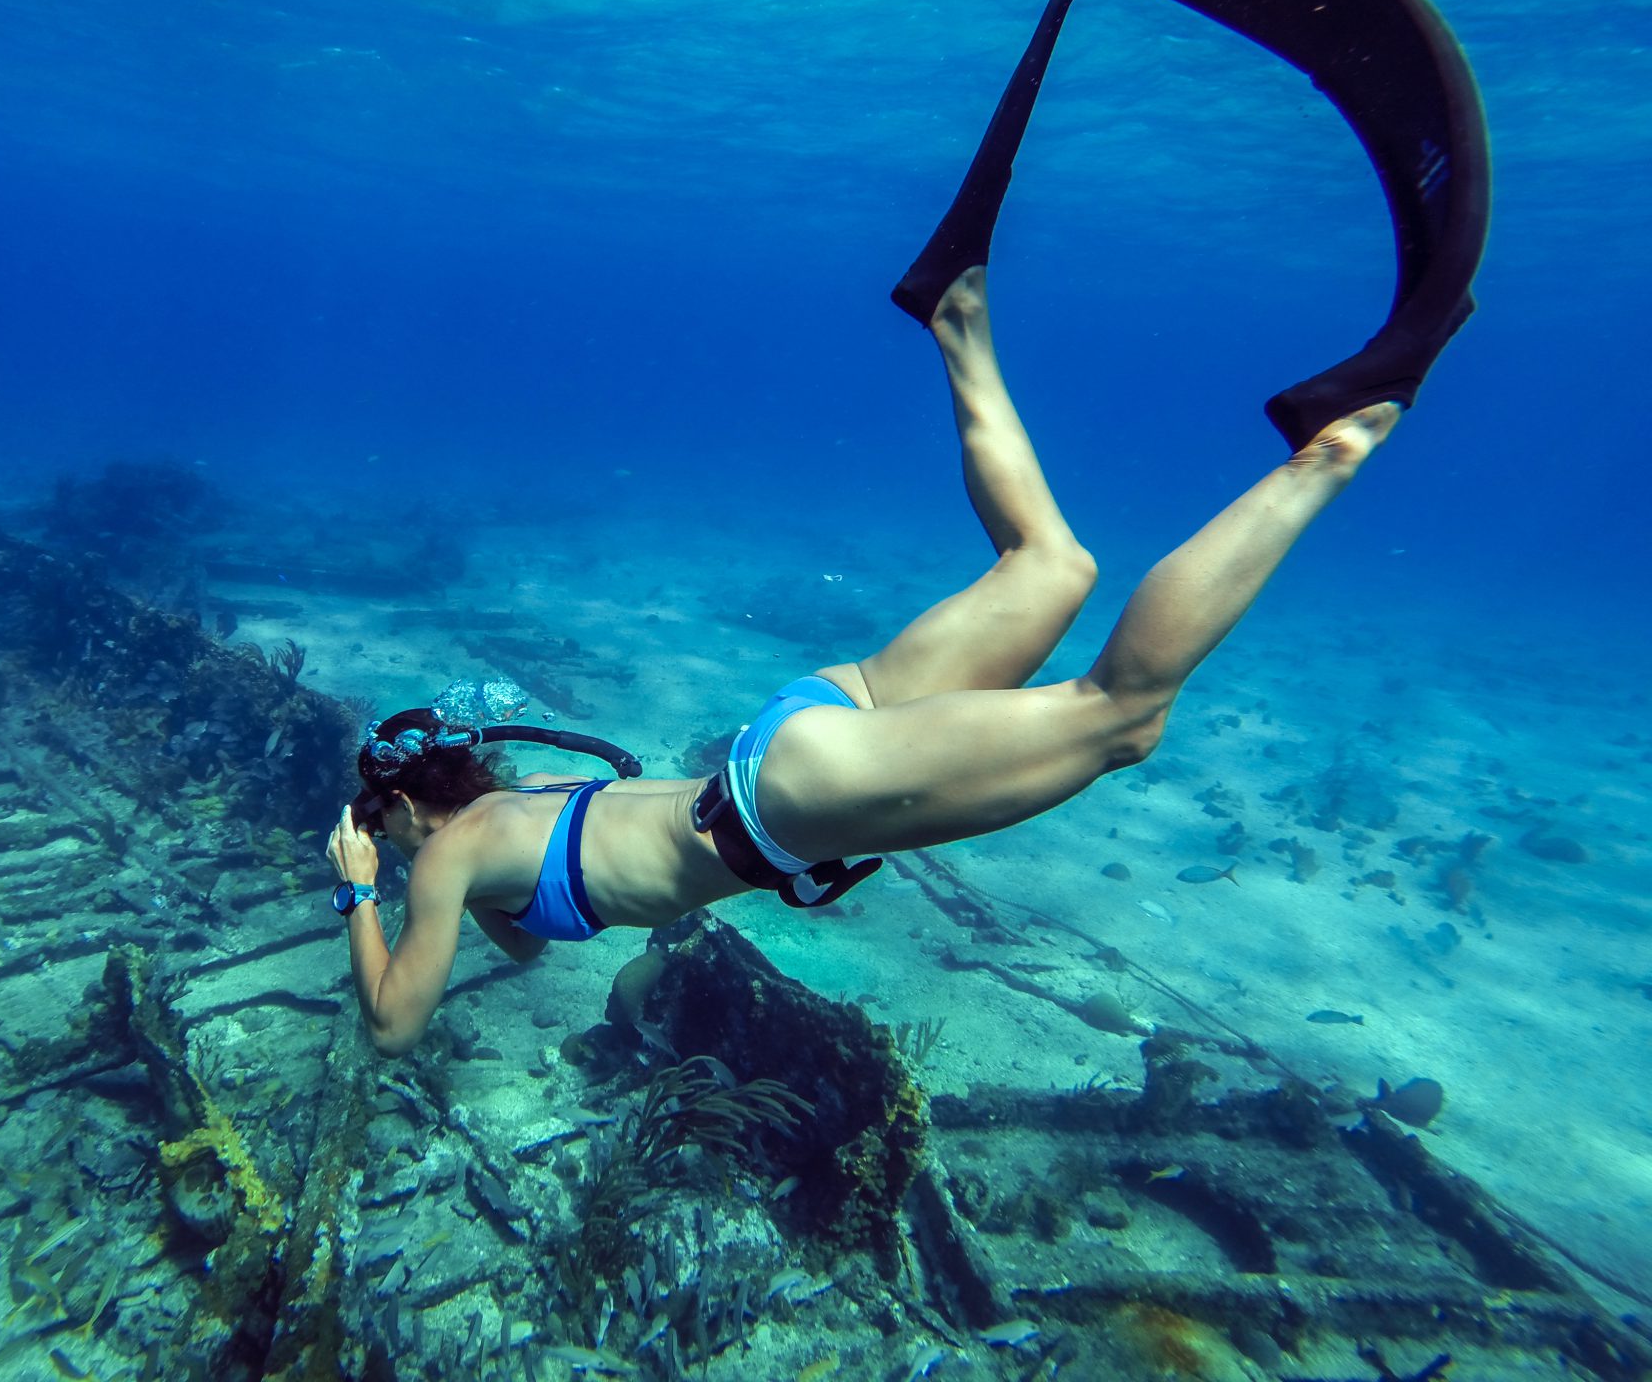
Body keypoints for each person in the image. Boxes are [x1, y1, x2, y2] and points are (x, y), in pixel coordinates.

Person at [327, 266, 1401, 1057]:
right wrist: (428, 887)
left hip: (789, 804)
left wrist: (358, 896)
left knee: (1120, 716)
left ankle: (1326, 454)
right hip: (794, 727)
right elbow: (525, 944)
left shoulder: (452, 855)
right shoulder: (507, 824)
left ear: (404, 815)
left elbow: (391, 1026)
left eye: (385, 830)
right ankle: (958, 320)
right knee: (1049, 564)